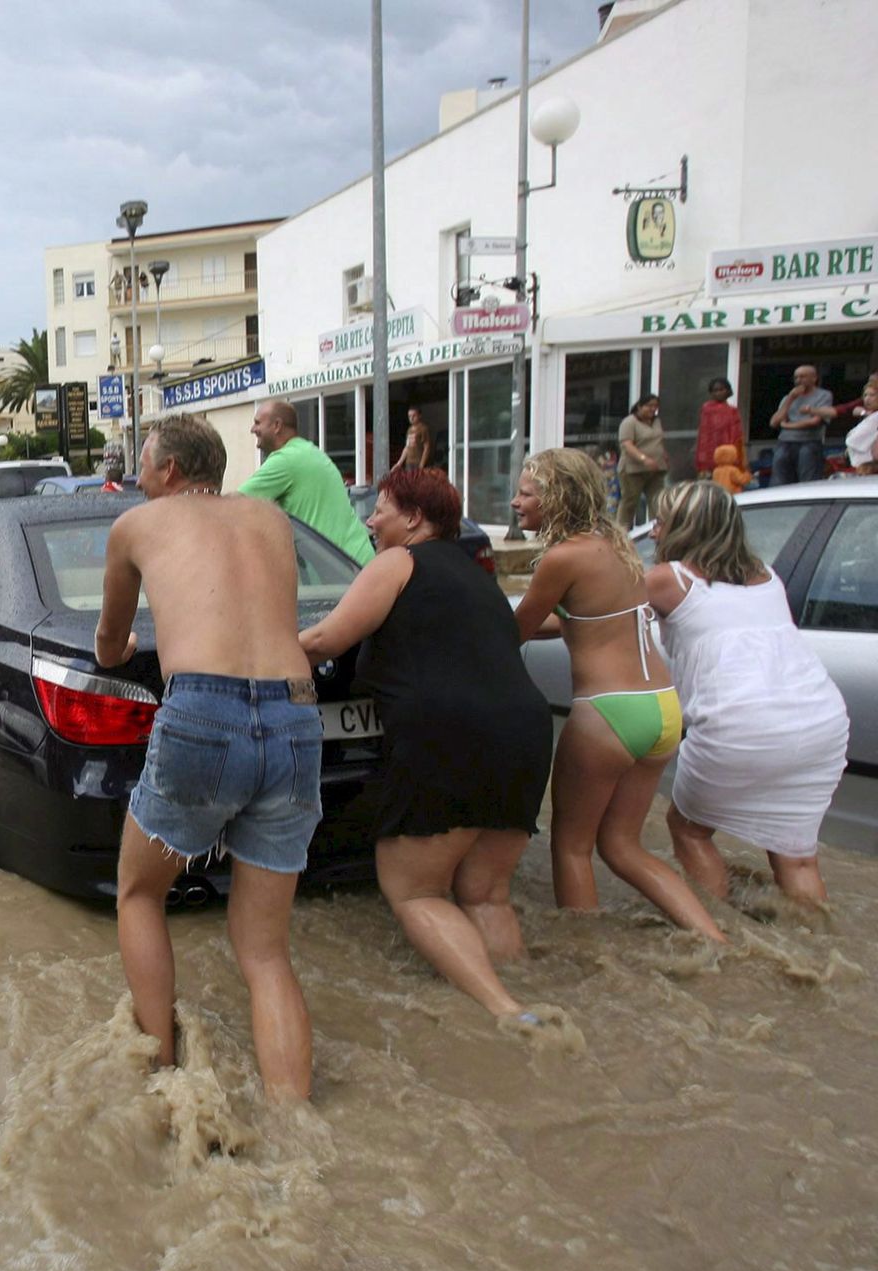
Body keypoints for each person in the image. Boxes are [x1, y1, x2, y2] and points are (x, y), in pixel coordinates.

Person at [96, 414, 320, 1100]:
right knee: (266, 951)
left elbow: (108, 643)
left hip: (203, 712)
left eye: (143, 463)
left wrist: (123, 650)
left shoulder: (136, 525)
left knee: (139, 893)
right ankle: (295, 1119)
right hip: (296, 716)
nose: (137, 476)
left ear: (168, 470)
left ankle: (165, 1080)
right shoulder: (270, 520)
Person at [299, 468, 551, 1026]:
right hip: (527, 735)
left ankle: (506, 1011)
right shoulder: (477, 577)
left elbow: (323, 640)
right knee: (486, 895)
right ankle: (533, 1001)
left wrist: (248, 658)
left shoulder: (397, 562)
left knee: (416, 892)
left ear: (414, 519)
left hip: (448, 740)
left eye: (380, 509)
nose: (370, 521)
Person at [511, 449, 727, 944]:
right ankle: (715, 939)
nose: (516, 502)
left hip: (609, 713)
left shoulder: (562, 558)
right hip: (662, 707)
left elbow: (514, 631)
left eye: (526, 493)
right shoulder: (617, 545)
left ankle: (591, 959)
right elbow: (583, 621)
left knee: (570, 847)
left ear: (557, 499)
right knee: (622, 846)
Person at [643, 482, 848, 908]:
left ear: (685, 527)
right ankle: (811, 937)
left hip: (739, 726)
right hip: (819, 724)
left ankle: (718, 932)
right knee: (796, 856)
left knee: (688, 830)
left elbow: (599, 612)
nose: (653, 532)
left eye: (661, 521)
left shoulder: (668, 578)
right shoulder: (767, 576)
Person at [240, 399, 376, 565]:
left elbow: (233, 505)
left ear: (277, 426)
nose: (252, 429)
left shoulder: (287, 459)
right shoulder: (307, 451)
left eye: (257, 423)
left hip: (344, 568)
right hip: (356, 560)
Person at [769, 365, 834, 485]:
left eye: (803, 377)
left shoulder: (823, 395)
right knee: (779, 480)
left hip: (809, 441)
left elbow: (814, 421)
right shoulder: (788, 397)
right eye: (796, 377)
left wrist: (787, 426)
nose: (798, 380)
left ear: (814, 378)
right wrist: (791, 398)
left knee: (808, 481)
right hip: (785, 442)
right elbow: (774, 422)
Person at [615, 394, 668, 529]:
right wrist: (644, 459)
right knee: (630, 502)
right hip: (633, 470)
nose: (653, 409)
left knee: (657, 501)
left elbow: (658, 441)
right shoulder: (629, 422)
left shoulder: (656, 421)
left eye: (655, 406)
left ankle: (656, 529)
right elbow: (627, 445)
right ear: (639, 406)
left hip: (656, 469)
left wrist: (663, 455)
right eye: (649, 406)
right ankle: (622, 532)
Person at [694, 378, 743, 479]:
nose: (718, 393)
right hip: (709, 455)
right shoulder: (707, 409)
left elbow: (737, 435)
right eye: (715, 390)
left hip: (729, 453)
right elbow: (704, 435)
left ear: (728, 391)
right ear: (711, 393)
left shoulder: (733, 411)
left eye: (721, 390)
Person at [844, 378, 878, 475]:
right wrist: (865, 413)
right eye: (865, 395)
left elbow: (853, 440)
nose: (867, 398)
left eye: (872, 395)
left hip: (870, 467)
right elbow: (855, 410)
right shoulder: (870, 416)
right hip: (860, 467)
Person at [396, 407, 434, 472]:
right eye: (409, 416)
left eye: (414, 416)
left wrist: (422, 464)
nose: (411, 418)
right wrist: (399, 463)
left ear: (419, 416)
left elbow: (427, 447)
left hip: (418, 462)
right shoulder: (409, 430)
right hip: (409, 462)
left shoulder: (423, 429)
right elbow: (407, 447)